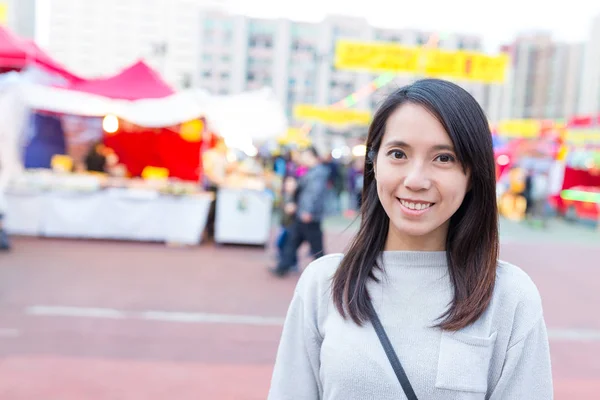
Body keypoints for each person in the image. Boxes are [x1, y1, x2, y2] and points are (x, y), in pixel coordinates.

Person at [268, 79, 553, 399]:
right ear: (374, 164)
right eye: (398, 153)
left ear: (472, 174)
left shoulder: (508, 296)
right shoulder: (325, 283)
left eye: (443, 158)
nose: (416, 180)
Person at [270, 147, 330, 277]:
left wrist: (307, 211)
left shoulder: (317, 173)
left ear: (312, 156)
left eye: (305, 156)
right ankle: (283, 266)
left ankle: (326, 272)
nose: (303, 159)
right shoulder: (313, 172)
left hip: (308, 215)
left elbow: (313, 194)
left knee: (315, 246)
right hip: (304, 213)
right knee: (294, 241)